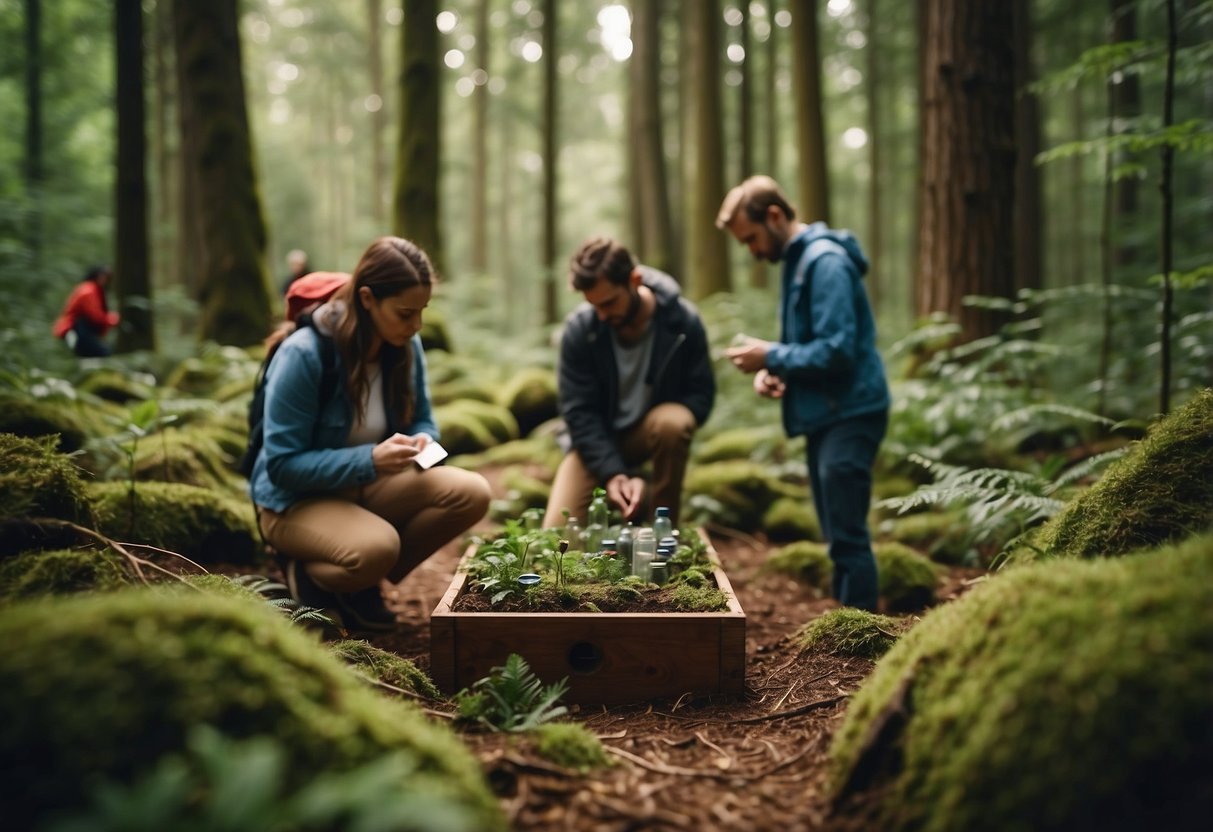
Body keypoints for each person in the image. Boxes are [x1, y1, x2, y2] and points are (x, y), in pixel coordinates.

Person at [250, 236, 491, 630]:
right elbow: (281, 466)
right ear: (366, 299)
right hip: (295, 501)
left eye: (422, 311)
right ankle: (311, 575)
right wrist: (369, 459)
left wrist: (423, 442)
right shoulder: (305, 355)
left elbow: (424, 419)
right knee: (379, 548)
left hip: (369, 483)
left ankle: (358, 580)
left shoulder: (404, 347)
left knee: (472, 492)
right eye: (405, 313)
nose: (417, 325)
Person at [717, 175, 889, 611]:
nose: (753, 251)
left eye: (752, 238)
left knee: (847, 535)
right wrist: (775, 370)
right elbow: (814, 347)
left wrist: (772, 354)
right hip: (830, 412)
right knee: (836, 533)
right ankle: (849, 629)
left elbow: (838, 350)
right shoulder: (800, 262)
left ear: (774, 216)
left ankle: (862, 639)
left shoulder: (825, 262)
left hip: (851, 412)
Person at [543, 236, 715, 529]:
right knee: (557, 537)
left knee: (673, 423)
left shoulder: (682, 322)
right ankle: (637, 492)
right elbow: (578, 413)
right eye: (594, 306)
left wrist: (662, 425)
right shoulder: (580, 330)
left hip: (652, 430)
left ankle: (663, 532)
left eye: (609, 303)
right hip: (596, 438)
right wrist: (614, 473)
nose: (602, 315)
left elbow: (701, 395)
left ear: (634, 280)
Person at [52, 266, 120, 357]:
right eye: (104, 276)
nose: (106, 280)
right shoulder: (88, 290)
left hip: (82, 330)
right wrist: (113, 319)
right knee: (102, 354)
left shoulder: (92, 289)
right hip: (76, 329)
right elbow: (96, 316)